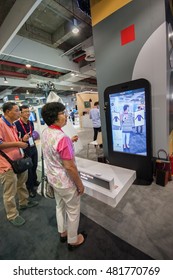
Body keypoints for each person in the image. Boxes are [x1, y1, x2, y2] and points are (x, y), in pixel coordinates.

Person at [41, 102, 87, 250]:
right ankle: (73, 240)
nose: (66, 115)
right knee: (73, 210)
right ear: (54, 117)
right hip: (66, 183)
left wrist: (69, 141)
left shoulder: (46, 132)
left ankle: (63, 232)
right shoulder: (62, 138)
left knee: (59, 206)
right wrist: (80, 185)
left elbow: (54, 150)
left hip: (53, 179)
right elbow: (70, 166)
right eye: (62, 113)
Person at [0, 102, 38, 227]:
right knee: (9, 192)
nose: (19, 113)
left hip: (19, 160)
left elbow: (14, 141)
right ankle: (12, 215)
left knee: (21, 183)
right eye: (16, 110)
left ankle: (23, 202)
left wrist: (22, 141)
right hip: (6, 164)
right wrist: (18, 144)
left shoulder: (12, 125)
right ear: (7, 112)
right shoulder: (1, 123)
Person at [15, 105, 40, 198]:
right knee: (28, 169)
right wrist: (22, 139)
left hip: (33, 146)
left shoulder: (30, 123)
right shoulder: (16, 125)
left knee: (34, 165)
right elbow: (15, 139)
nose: (28, 113)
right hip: (24, 148)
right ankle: (29, 188)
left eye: (28, 111)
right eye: (25, 111)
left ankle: (34, 181)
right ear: (20, 113)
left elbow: (32, 133)